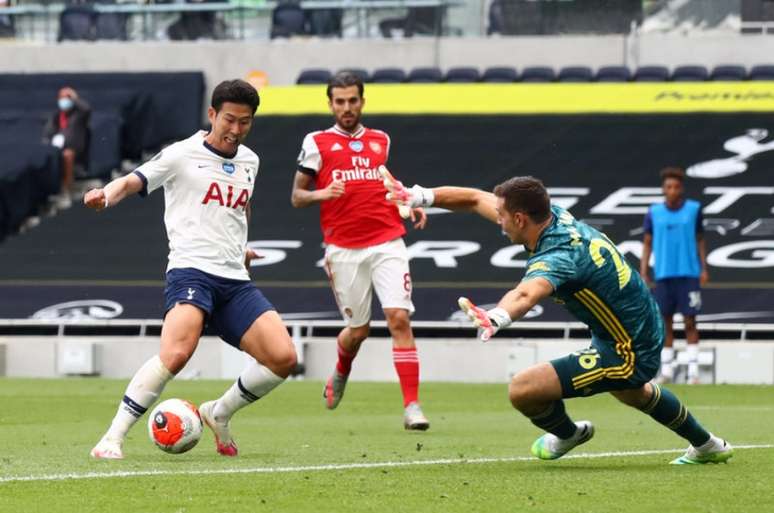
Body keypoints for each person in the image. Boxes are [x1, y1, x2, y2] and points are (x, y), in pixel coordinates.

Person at [383, 174, 732, 464]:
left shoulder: (557, 257)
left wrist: (498, 316)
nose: (498, 220)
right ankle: (708, 446)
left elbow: (526, 293)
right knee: (633, 393)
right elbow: (475, 199)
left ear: (520, 219)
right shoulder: (553, 217)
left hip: (628, 346)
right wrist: (417, 196)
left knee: (523, 390)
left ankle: (568, 434)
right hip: (637, 321)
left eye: (503, 216)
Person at [84, 79, 297, 459]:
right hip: (191, 272)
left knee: (283, 358)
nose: (235, 130)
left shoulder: (250, 161)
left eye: (245, 122)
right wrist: (106, 196)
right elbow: (134, 181)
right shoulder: (181, 154)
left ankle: (218, 412)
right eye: (229, 119)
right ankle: (112, 438)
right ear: (212, 114)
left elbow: (238, 208)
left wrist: (240, 248)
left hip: (234, 279)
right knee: (177, 353)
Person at [290, 71, 430, 430]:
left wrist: (407, 202)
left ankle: (412, 406)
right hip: (343, 249)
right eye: (340, 101)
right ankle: (341, 369)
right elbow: (298, 196)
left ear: (362, 101)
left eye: (353, 100)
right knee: (358, 330)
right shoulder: (317, 142)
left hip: (387, 241)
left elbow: (384, 183)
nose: (347, 107)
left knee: (399, 318)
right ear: (331, 104)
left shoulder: (380, 140)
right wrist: (323, 193)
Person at [640, 167, 708, 384]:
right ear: (663, 189)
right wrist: (643, 272)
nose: (672, 190)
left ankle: (693, 373)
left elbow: (700, 239)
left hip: (688, 274)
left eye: (676, 186)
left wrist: (704, 267)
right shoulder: (654, 212)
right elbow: (647, 243)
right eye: (668, 186)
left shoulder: (693, 210)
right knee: (665, 323)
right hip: (664, 275)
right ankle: (667, 371)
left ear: (682, 189)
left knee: (690, 322)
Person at [43, 86, 91, 209]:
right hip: (56, 148)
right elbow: (47, 133)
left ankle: (66, 189)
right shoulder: (56, 116)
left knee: (67, 155)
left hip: (74, 148)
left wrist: (74, 97)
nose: (64, 100)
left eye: (67, 98)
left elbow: (87, 109)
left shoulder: (78, 115)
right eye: (62, 97)